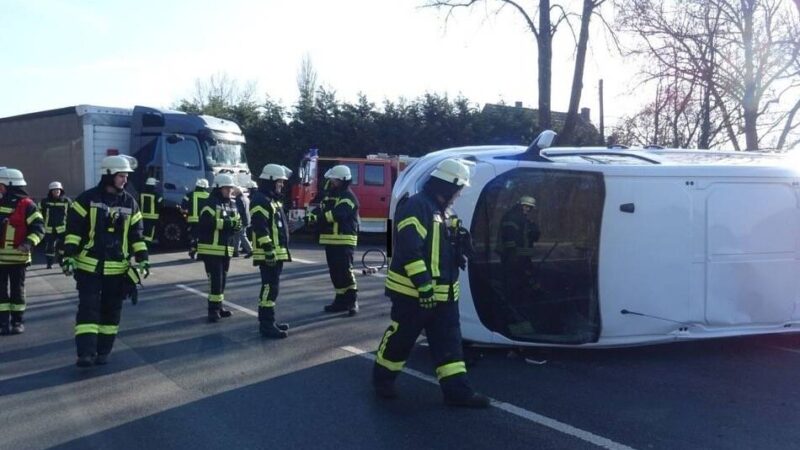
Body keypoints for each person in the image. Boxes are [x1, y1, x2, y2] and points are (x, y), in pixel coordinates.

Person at [372, 158, 490, 408]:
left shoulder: (445, 211)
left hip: (444, 295)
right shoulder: (416, 207)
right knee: (402, 339)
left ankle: (457, 392)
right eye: (459, 189)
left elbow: (443, 247)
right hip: (413, 294)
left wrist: (461, 241)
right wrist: (423, 285)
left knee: (449, 343)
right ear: (447, 186)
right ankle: (383, 379)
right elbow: (409, 250)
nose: (459, 194)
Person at [62, 156, 149, 366]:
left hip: (118, 269)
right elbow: (73, 230)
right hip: (89, 266)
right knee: (88, 308)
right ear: (109, 175)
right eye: (121, 176)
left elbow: (137, 236)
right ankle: (85, 353)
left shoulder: (130, 203)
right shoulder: (87, 199)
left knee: (111, 312)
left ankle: (103, 351)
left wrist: (143, 259)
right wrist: (68, 256)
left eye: (126, 176)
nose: (124, 180)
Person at [309, 165, 360, 316]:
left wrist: (318, 219)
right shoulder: (330, 196)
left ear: (342, 180)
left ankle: (352, 301)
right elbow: (322, 209)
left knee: (346, 271)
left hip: (344, 240)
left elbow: (338, 214)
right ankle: (340, 300)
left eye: (334, 180)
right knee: (335, 272)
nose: (331, 182)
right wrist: (311, 216)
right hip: (330, 240)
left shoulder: (349, 198)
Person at [0, 168, 44, 335]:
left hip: (18, 258)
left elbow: (39, 228)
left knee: (17, 291)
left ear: (9, 185)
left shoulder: (27, 205)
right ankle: (2, 322)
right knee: (0, 292)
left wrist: (28, 242)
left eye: (0, 185)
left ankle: (17, 321)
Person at [250, 165, 292, 338]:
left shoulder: (271, 199)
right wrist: (268, 249)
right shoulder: (260, 200)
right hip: (268, 253)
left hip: (276, 252)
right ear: (270, 181)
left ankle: (270, 321)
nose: (281, 184)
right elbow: (260, 227)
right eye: (279, 181)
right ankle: (266, 325)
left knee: (273, 288)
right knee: (269, 288)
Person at [196, 173, 241, 322]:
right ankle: (212, 310)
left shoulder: (232, 204)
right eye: (226, 188)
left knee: (223, 280)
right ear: (218, 188)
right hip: (211, 249)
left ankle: (219, 307)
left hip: (226, 248)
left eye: (231, 188)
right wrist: (228, 224)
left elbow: (238, 222)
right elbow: (206, 223)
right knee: (215, 281)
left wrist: (235, 225)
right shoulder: (210, 203)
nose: (230, 191)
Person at [39, 181, 71, 269]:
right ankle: (49, 263)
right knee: (50, 247)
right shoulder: (45, 202)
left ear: (61, 190)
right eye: (54, 190)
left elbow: (72, 214)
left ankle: (61, 260)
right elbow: (39, 213)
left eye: (58, 190)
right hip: (49, 228)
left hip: (63, 229)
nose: (56, 192)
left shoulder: (66, 201)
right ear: (50, 192)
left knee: (63, 246)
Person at [182, 178, 210, 260]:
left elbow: (183, 207)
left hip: (193, 220)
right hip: (205, 220)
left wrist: (185, 212)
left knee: (194, 236)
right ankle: (200, 253)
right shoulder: (209, 195)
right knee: (203, 237)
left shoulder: (189, 195)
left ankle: (193, 249)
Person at [139, 177, 163, 249]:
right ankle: (146, 247)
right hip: (153, 218)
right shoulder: (156, 195)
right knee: (149, 235)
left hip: (142, 217)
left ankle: (141, 246)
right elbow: (160, 204)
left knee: (143, 233)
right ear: (153, 185)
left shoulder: (141, 194)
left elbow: (139, 204)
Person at [232, 184, 253, 258]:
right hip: (247, 219)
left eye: (234, 191)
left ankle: (250, 250)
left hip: (241, 219)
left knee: (242, 235)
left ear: (237, 192)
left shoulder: (238, 199)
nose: (233, 192)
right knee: (237, 235)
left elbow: (239, 211)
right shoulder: (246, 198)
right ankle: (235, 251)